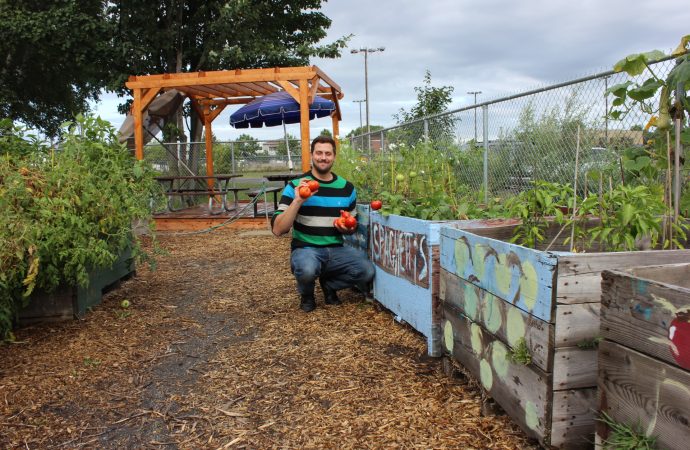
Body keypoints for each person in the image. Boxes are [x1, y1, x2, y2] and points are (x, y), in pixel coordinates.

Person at [272, 135, 375, 312]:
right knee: (306, 270)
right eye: (319, 153)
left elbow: (352, 225)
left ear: (334, 156)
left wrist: (348, 228)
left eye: (328, 153)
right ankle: (307, 295)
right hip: (306, 248)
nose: (323, 157)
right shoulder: (296, 185)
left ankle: (330, 285)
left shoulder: (346, 188)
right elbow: (278, 229)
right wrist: (297, 201)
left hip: (336, 249)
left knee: (367, 271)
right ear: (312, 155)